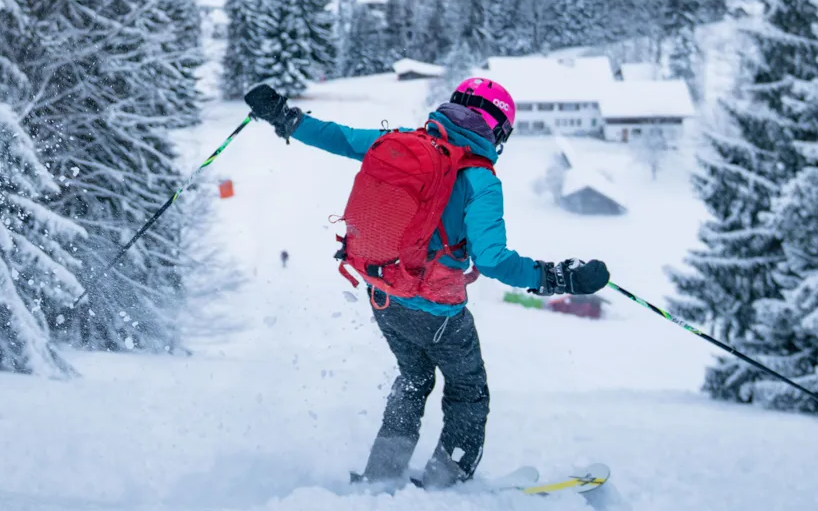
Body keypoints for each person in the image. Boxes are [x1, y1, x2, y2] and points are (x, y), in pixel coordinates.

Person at [242, 79, 612, 489]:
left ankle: (382, 474)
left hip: (382, 293)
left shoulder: (401, 142)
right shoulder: (480, 180)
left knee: (413, 379)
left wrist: (283, 115)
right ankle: (447, 480)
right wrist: (558, 276)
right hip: (436, 308)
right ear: (498, 131)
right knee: (468, 390)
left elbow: (340, 138)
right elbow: (493, 260)